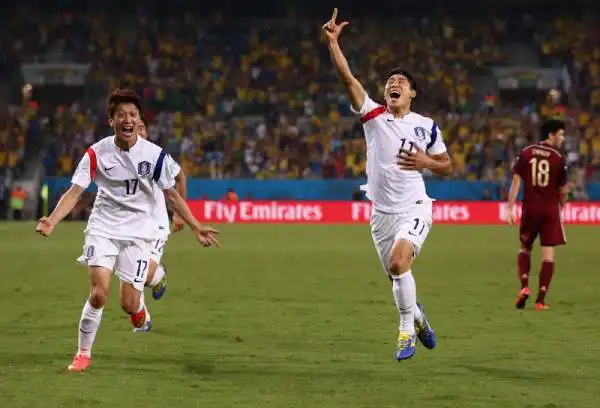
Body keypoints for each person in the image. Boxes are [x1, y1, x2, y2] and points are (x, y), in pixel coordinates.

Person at [35, 89, 220, 372]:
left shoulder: (154, 155)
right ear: (112, 120)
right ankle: (83, 353)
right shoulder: (96, 153)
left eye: (133, 114)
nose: (128, 119)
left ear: (139, 121)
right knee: (98, 293)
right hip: (103, 228)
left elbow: (172, 194)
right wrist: (52, 220)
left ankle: (143, 303)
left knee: (129, 303)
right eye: (121, 114)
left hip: (139, 232)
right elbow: (75, 192)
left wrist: (195, 226)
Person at [322, 8, 452, 361]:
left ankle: (405, 331)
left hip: (415, 207)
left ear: (413, 94)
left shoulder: (427, 126)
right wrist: (333, 43)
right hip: (381, 215)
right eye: (390, 82)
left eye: (401, 83)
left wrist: (427, 162)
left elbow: (447, 166)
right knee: (398, 273)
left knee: (398, 264)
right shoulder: (373, 116)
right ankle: (419, 316)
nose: (394, 84)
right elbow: (349, 79)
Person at [132, 117, 187, 332]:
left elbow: (180, 176)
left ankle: (159, 276)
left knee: (143, 276)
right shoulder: (119, 157)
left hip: (155, 226)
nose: (140, 131)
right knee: (131, 274)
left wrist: (179, 215)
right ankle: (143, 319)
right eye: (135, 128)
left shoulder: (157, 156)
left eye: (143, 127)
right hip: (129, 226)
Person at [507, 119, 568, 311]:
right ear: (550, 135)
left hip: (530, 208)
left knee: (525, 248)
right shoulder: (558, 157)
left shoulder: (526, 153)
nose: (563, 138)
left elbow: (516, 183)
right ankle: (541, 300)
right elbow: (563, 190)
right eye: (561, 134)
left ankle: (524, 286)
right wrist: (562, 207)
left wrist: (510, 208)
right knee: (548, 256)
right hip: (550, 210)